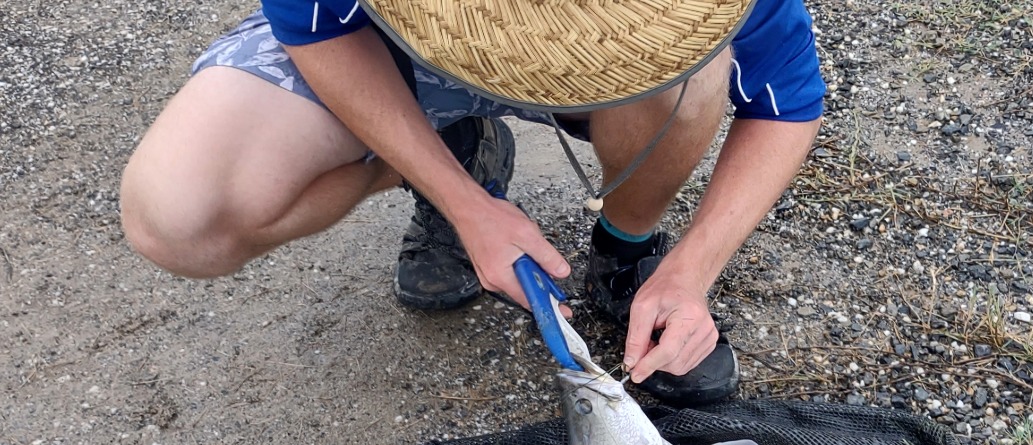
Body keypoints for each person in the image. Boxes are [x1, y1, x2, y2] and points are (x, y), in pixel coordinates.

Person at [119, 0, 824, 405]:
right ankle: (454, 157)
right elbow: (317, 26)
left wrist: (691, 271)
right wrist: (463, 203)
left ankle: (629, 251)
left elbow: (788, 102)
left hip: (609, 80)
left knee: (696, 80)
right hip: (402, 50)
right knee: (180, 214)